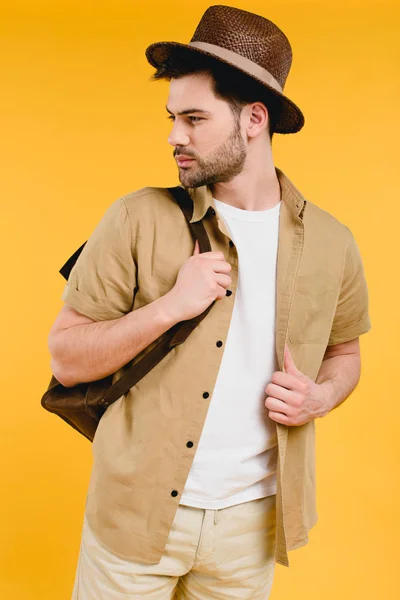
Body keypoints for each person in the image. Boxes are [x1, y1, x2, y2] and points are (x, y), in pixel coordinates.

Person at [47, 5, 371, 599]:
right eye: (171, 117)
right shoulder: (135, 217)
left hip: (252, 528)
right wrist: (169, 307)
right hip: (133, 516)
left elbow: (346, 353)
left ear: (253, 118)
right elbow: (66, 359)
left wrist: (320, 396)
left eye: (194, 118)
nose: (174, 135)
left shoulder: (333, 242)